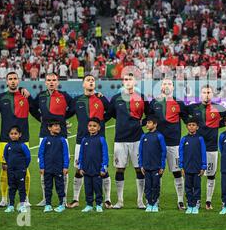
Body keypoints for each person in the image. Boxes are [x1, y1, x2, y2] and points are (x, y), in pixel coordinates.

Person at [67, 75, 112, 209]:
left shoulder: (101, 98)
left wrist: (101, 123)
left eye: (93, 80)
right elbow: (66, 114)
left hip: (98, 140)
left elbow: (111, 111)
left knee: (103, 170)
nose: (91, 82)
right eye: (88, 80)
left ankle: (107, 199)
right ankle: (75, 199)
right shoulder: (77, 100)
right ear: (83, 84)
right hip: (81, 140)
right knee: (79, 169)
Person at [0, 71, 39, 207]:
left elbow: (36, 110)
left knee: (24, 169)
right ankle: (4, 199)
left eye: (15, 79)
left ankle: (25, 199)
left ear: (18, 81)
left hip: (23, 138)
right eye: (10, 79)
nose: (13, 81)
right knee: (4, 168)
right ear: (6, 82)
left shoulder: (25, 96)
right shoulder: (1, 97)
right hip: (5, 139)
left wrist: (29, 95)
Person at [107, 72, 149, 209]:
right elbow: (110, 114)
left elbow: (150, 115)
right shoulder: (116, 99)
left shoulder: (141, 98)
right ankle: (119, 201)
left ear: (135, 82)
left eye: (130, 79)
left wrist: (139, 124)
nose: (128, 81)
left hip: (137, 138)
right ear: (122, 82)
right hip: (120, 139)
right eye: (125, 79)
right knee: (120, 169)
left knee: (139, 169)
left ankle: (140, 201)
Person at [33, 73, 73, 207]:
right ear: (45, 82)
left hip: (61, 135)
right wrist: (40, 118)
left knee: (63, 167)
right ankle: (46, 198)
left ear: (57, 82)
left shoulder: (64, 95)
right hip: (44, 134)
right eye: (49, 80)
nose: (51, 82)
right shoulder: (40, 96)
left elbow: (73, 108)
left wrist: (62, 119)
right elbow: (32, 108)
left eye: (53, 80)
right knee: (44, 167)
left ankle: (64, 199)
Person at [149, 78, 188, 210]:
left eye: (169, 83)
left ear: (173, 87)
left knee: (177, 172)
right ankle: (155, 199)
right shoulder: (154, 103)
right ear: (161, 88)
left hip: (174, 143)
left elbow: (188, 120)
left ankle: (180, 200)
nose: (166, 86)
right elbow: (148, 119)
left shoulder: (179, 103)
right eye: (164, 84)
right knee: (157, 172)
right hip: (157, 144)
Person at [187, 84, 225, 210]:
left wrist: (215, 126)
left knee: (211, 174)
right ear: (201, 94)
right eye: (204, 92)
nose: (206, 94)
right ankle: (194, 200)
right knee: (194, 174)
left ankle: (208, 201)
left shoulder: (219, 108)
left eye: (209, 92)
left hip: (212, 147)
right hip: (196, 147)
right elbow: (185, 119)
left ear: (212, 94)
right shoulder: (193, 108)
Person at [38, 120, 70, 213]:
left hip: (58, 168)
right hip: (47, 168)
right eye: (55, 126)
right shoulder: (45, 140)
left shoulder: (62, 140)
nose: (58, 127)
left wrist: (65, 166)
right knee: (48, 187)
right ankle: (48, 204)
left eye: (58, 126)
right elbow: (41, 153)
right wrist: (42, 166)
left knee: (60, 186)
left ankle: (62, 204)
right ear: (49, 128)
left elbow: (65, 154)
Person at [78, 118, 109, 213]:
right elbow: (81, 154)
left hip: (97, 170)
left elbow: (105, 154)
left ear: (99, 128)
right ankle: (89, 205)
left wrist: (103, 167)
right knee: (88, 188)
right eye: (90, 126)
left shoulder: (101, 139)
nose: (92, 128)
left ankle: (99, 204)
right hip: (86, 169)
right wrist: (80, 167)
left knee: (97, 187)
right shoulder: (84, 140)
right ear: (87, 127)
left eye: (94, 126)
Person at [138, 116, 167, 213]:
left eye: (149, 123)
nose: (147, 124)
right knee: (147, 186)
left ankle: (155, 203)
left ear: (155, 124)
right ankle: (149, 203)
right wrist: (141, 165)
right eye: (146, 123)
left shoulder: (159, 136)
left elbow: (163, 151)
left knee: (155, 185)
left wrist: (162, 166)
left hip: (156, 167)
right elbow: (140, 151)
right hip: (146, 167)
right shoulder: (144, 136)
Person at [179, 118, 207, 215]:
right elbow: (181, 153)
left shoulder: (200, 139)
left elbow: (203, 152)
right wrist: (181, 166)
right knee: (188, 187)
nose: (191, 126)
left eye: (193, 125)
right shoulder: (184, 139)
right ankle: (190, 204)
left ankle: (196, 204)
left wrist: (203, 166)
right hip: (187, 168)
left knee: (197, 186)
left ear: (197, 127)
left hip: (197, 168)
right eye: (189, 125)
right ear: (187, 127)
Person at [3, 126, 31, 213]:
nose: (13, 135)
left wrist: (23, 167)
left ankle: (22, 205)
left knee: (21, 188)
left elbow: (28, 157)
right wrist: (9, 165)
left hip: (20, 170)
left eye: (15, 134)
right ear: (9, 135)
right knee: (11, 188)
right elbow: (6, 156)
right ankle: (11, 205)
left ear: (20, 135)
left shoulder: (22, 146)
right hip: (10, 171)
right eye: (11, 134)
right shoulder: (7, 146)